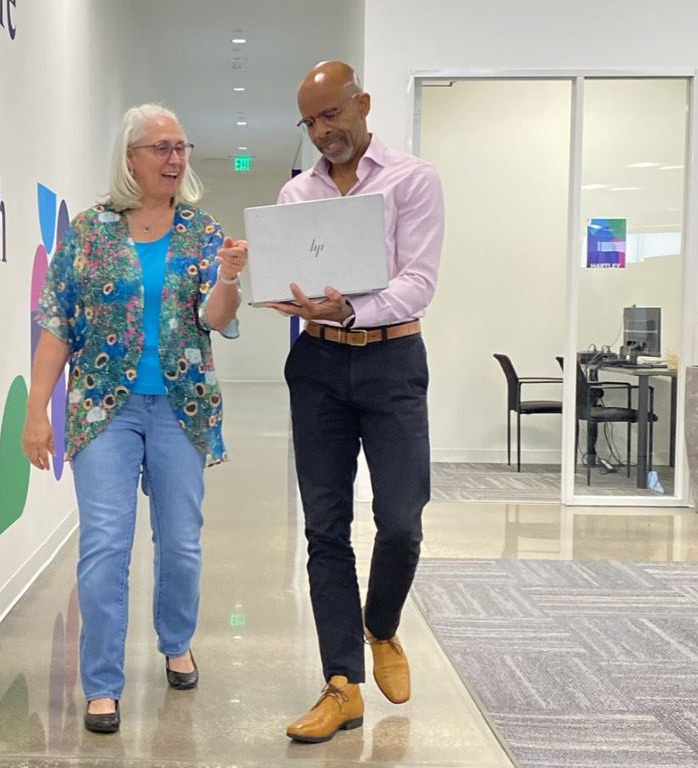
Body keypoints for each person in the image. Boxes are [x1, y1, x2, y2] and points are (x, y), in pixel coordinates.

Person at [23, 104, 246, 734]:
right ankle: (101, 684)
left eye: (182, 147)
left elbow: (217, 317)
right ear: (130, 158)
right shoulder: (90, 233)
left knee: (179, 542)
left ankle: (176, 641)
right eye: (162, 148)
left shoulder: (203, 232)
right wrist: (37, 411)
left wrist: (228, 277)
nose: (176, 160)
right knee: (103, 545)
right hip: (103, 410)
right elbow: (56, 326)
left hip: (182, 407)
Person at [246, 60, 446, 743]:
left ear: (362, 103)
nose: (322, 132)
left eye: (332, 115)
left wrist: (350, 309)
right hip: (318, 365)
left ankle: (381, 625)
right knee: (325, 527)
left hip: (392, 359)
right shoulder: (295, 193)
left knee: (401, 518)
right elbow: (291, 278)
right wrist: (286, 296)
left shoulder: (413, 179)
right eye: (310, 122)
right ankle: (342, 684)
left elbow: (418, 282)